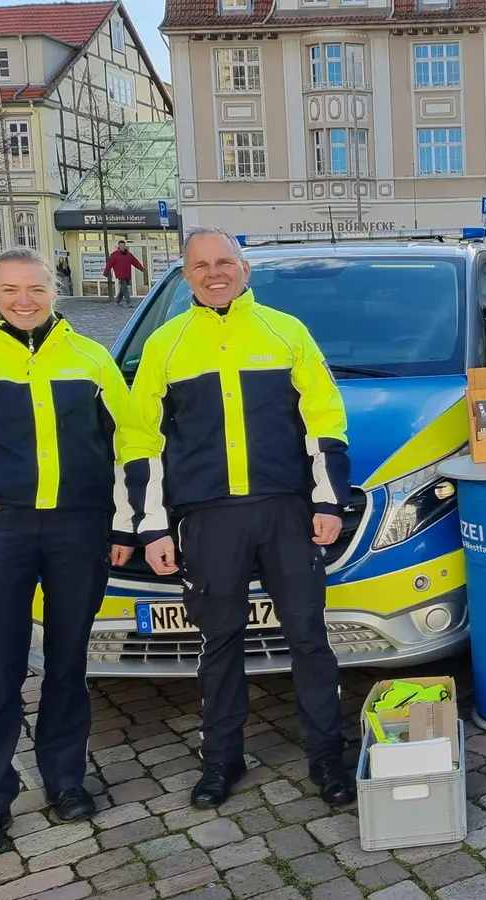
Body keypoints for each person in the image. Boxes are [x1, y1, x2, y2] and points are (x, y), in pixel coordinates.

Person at [0, 248, 147, 859]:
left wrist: (127, 526)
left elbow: (130, 445)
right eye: (10, 289)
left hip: (79, 531)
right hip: (2, 531)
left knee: (68, 661)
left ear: (54, 290)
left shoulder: (92, 361)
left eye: (35, 288)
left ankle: (66, 780)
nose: (23, 300)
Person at [125, 226, 355, 809]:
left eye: (224, 262)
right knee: (219, 643)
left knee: (308, 637)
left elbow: (326, 422)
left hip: (286, 514)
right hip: (208, 521)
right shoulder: (165, 345)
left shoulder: (286, 332)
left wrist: (327, 502)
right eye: (200, 265)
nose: (214, 273)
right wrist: (151, 527)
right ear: (185, 274)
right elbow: (140, 442)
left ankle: (328, 760)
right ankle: (221, 762)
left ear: (245, 269)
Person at [103, 240, 143, 308]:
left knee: (123, 288)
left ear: (125, 246)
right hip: (120, 275)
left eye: (123, 245)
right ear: (118, 246)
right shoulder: (114, 255)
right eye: (121, 245)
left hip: (127, 274)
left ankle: (118, 300)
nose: (122, 247)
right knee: (125, 288)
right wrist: (106, 272)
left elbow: (135, 262)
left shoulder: (129, 254)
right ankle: (128, 302)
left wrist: (141, 268)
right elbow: (109, 264)